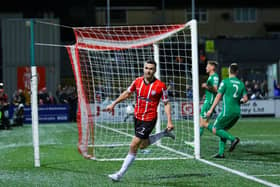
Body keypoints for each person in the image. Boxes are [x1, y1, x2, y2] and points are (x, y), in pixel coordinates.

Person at [105, 60, 175, 182]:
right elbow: (127, 94)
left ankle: (119, 174)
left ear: (155, 70)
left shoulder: (160, 86)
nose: (149, 71)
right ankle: (164, 133)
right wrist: (113, 104)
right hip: (137, 117)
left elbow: (166, 103)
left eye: (151, 68)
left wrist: (169, 120)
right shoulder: (137, 82)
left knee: (133, 145)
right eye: (147, 68)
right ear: (143, 69)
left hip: (149, 119)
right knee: (142, 145)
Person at [206, 63, 248, 158]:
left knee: (215, 128)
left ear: (229, 71)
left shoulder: (225, 82)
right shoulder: (241, 84)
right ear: (237, 72)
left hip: (227, 111)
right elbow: (245, 99)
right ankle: (221, 153)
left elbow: (218, 96)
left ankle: (233, 139)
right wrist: (239, 101)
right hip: (237, 112)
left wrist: (211, 109)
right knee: (222, 130)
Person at [200, 60, 219, 136]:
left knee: (204, 123)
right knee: (202, 122)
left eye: (207, 66)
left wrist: (206, 86)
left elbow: (215, 89)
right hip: (208, 100)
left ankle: (223, 135)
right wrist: (206, 94)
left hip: (209, 102)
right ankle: (196, 142)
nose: (206, 68)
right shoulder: (211, 77)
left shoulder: (214, 77)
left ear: (212, 67)